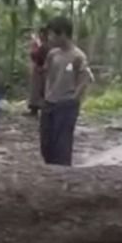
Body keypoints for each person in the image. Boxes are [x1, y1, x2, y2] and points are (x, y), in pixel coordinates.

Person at [40, 16, 94, 166]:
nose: (50, 38)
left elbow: (86, 78)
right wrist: (46, 94)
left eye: (52, 34)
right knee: (46, 144)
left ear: (63, 33)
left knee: (62, 145)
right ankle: (50, 173)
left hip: (66, 105)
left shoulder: (78, 56)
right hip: (50, 103)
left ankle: (63, 176)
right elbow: (46, 73)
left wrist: (74, 98)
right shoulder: (53, 54)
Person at [27, 27, 50, 116]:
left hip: (44, 69)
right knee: (36, 90)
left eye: (42, 34)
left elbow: (39, 55)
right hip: (39, 68)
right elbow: (34, 55)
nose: (41, 36)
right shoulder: (40, 44)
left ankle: (42, 109)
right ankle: (34, 109)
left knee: (42, 90)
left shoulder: (47, 45)